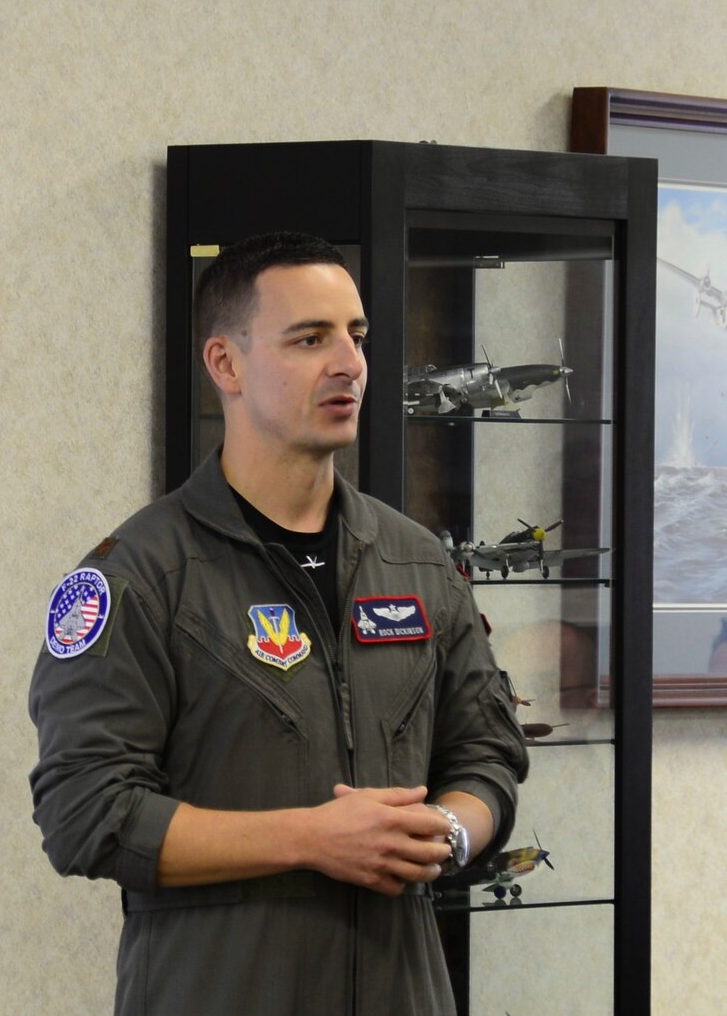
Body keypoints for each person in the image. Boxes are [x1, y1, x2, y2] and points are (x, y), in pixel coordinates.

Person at [27, 232, 527, 1015]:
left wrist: (446, 834)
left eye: (355, 336)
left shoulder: (418, 564)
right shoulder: (139, 577)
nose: (348, 364)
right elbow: (86, 814)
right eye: (309, 339)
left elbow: (490, 754)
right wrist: (312, 839)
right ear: (224, 364)